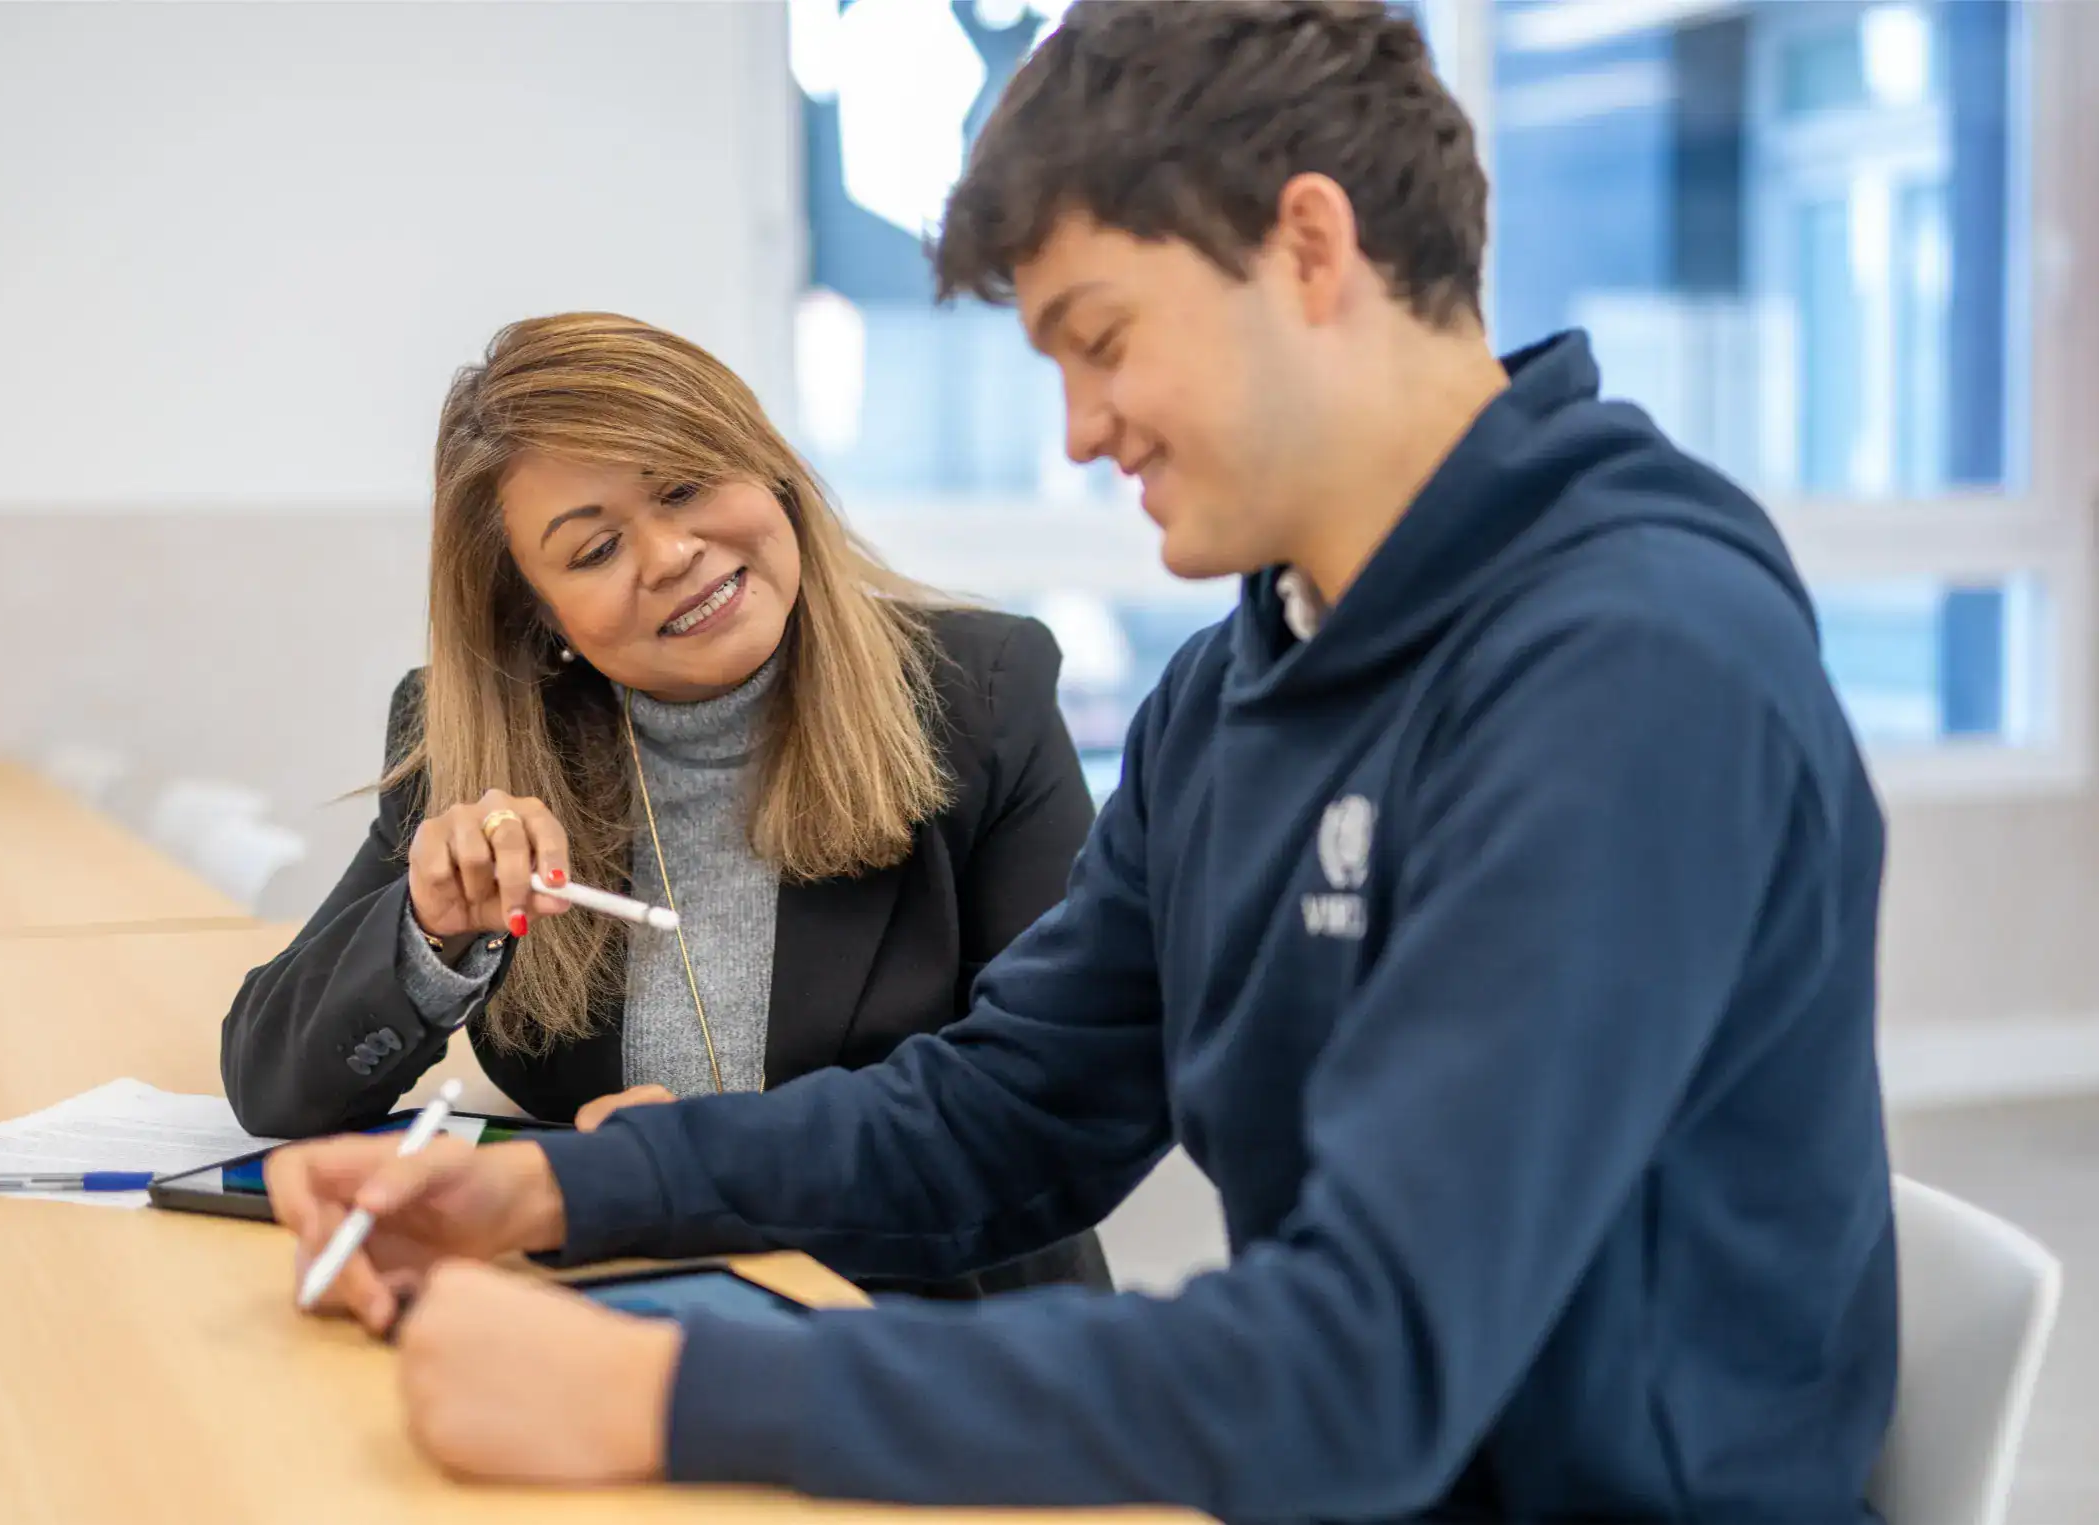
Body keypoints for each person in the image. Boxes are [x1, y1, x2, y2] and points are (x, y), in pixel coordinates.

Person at [265, 4, 1898, 1518]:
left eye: (1101, 339)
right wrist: (556, 1197)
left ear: (1307, 247)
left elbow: (1360, 1364)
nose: (1078, 429)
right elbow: (1000, 1115)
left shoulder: (1630, 668)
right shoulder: (1234, 695)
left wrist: (666, 1391)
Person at [223, 311, 1110, 1299]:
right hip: (617, 1305)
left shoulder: (978, 693)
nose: (669, 554)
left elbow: (1044, 1107)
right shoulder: (478, 742)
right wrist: (431, 933)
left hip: (931, 1318)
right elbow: (272, 1086)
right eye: (593, 550)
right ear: (538, 613)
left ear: (769, 469)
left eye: (686, 485)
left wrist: (668, 1170)